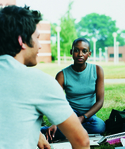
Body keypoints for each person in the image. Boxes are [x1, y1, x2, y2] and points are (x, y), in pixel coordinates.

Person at [0, 5, 89, 149]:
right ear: (21, 41)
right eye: (37, 38)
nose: (40, 46)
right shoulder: (38, 81)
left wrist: (35, 134)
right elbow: (81, 141)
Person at [41, 37, 105, 142]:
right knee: (61, 126)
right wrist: (56, 122)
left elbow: (100, 101)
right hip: (70, 113)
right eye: (76, 50)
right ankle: (59, 129)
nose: (80, 54)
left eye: (84, 51)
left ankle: (66, 130)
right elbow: (56, 102)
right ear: (71, 52)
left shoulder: (97, 70)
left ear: (89, 54)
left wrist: (82, 118)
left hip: (89, 115)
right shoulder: (62, 75)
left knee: (100, 126)